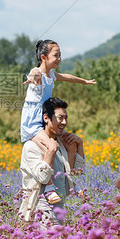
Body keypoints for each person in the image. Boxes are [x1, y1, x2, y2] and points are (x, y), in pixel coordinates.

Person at [21, 39, 95, 204]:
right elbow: (34, 75)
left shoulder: (52, 75)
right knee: (52, 146)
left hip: (43, 118)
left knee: (70, 142)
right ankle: (48, 188)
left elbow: (67, 77)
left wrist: (84, 81)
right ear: (43, 57)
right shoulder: (38, 72)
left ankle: (71, 184)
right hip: (32, 123)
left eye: (60, 55)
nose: (59, 58)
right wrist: (31, 79)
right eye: (56, 55)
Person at [19, 97, 86, 228]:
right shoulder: (31, 146)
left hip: (59, 206)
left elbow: (77, 173)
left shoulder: (60, 144)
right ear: (46, 118)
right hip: (41, 208)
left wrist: (79, 145)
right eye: (60, 118)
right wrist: (50, 152)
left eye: (66, 118)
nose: (64, 122)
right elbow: (43, 178)